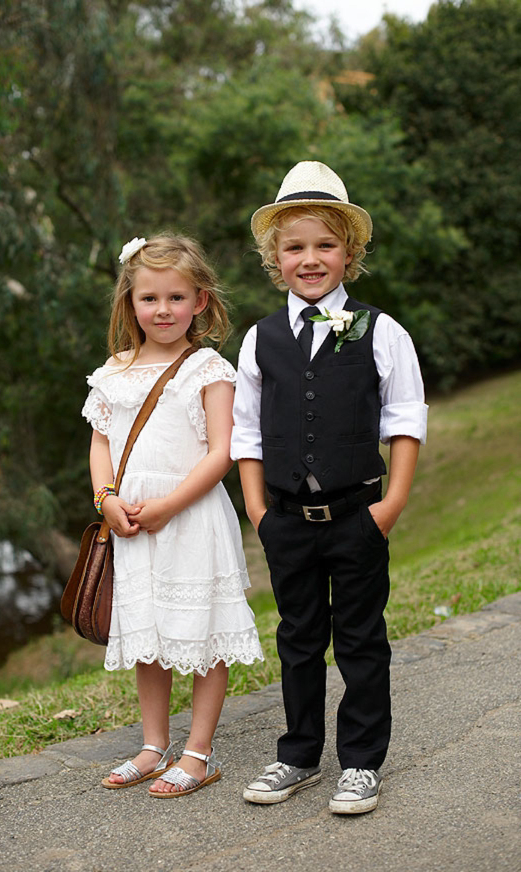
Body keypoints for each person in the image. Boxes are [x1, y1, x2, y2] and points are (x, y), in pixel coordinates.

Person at [231, 161, 427, 814]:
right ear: (275, 258)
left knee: (362, 639)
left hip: (357, 516)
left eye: (325, 245)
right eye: (295, 247)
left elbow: (404, 420)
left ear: (349, 252)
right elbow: (247, 434)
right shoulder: (259, 341)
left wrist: (389, 506)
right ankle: (298, 755)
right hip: (285, 518)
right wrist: (258, 510)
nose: (310, 259)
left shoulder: (381, 331)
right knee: (299, 638)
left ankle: (363, 762)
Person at [83, 233, 263, 797]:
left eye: (177, 298)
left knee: (203, 634)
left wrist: (168, 505)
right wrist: (105, 499)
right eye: (150, 299)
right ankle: (152, 743)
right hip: (133, 521)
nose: (163, 311)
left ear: (201, 300)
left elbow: (221, 450)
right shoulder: (114, 369)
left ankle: (198, 752)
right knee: (149, 635)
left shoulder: (207, 367)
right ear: (129, 303)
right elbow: (100, 443)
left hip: (190, 518)